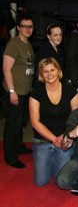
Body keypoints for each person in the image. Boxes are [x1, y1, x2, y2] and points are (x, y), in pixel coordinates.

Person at [29, 57, 78, 186]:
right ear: (41, 74)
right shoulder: (36, 93)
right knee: (41, 182)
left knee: (62, 182)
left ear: (58, 71)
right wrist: (54, 139)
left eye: (52, 70)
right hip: (42, 141)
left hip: (65, 141)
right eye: (45, 71)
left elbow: (76, 118)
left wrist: (65, 136)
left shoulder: (71, 91)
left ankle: (56, 161)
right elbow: (35, 122)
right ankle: (49, 161)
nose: (49, 74)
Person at [2, 13, 35, 168]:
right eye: (24, 26)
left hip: (25, 91)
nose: (28, 29)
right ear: (18, 28)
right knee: (13, 125)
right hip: (15, 91)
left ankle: (19, 147)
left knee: (21, 122)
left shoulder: (27, 44)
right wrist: (11, 91)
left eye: (30, 26)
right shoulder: (14, 44)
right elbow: (6, 69)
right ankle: (11, 157)